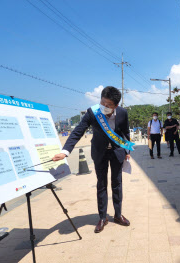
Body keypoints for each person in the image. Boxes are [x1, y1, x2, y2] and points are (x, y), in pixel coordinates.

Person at [53, 86, 132, 233]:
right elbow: (78, 131)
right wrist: (65, 151)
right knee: (101, 184)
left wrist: (128, 150)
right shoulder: (92, 112)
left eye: (109, 105)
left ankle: (118, 215)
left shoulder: (123, 113)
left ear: (116, 106)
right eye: (103, 103)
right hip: (100, 153)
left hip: (117, 152)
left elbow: (125, 132)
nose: (105, 107)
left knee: (117, 183)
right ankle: (102, 217)